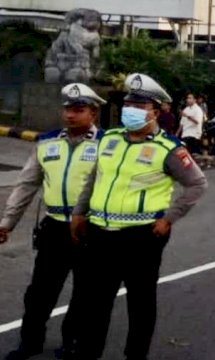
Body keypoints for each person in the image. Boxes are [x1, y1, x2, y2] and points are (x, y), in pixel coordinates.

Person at [70, 73, 208, 360]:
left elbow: (197, 184)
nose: (129, 110)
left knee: (140, 303)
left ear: (155, 112)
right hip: (100, 233)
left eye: (139, 105)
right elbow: (95, 178)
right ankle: (87, 353)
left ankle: (135, 355)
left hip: (142, 236)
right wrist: (79, 213)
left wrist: (169, 218)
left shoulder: (169, 148)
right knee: (95, 302)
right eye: (128, 103)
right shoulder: (109, 139)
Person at [0, 83, 106, 360]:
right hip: (54, 227)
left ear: (93, 113)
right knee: (39, 292)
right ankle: (30, 342)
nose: (70, 115)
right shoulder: (47, 142)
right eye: (68, 109)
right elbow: (26, 185)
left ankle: (72, 342)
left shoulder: (107, 145)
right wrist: (7, 223)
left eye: (78, 110)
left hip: (90, 229)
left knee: (85, 293)